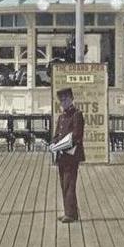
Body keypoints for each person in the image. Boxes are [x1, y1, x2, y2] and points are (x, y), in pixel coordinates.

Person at [53, 88, 84, 223]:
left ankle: (71, 214)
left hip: (71, 155)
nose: (63, 103)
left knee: (69, 184)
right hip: (61, 156)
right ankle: (69, 211)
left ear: (71, 99)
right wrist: (54, 145)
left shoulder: (77, 115)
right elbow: (56, 135)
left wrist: (64, 145)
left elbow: (77, 135)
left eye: (65, 100)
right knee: (63, 184)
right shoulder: (61, 117)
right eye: (61, 101)